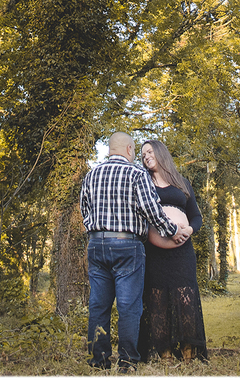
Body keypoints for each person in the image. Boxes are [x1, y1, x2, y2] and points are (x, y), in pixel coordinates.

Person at [79, 131, 190, 370]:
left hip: (96, 245)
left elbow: (84, 210)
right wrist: (173, 231)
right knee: (129, 306)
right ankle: (127, 362)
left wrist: (97, 230)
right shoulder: (136, 174)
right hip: (127, 245)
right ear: (129, 150)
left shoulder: (91, 175)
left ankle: (98, 361)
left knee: (99, 305)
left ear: (110, 150)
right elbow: (153, 211)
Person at [138, 139, 209, 362]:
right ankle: (164, 352)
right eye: (142, 155)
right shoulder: (143, 183)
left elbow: (196, 216)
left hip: (182, 254)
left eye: (150, 151)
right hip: (155, 254)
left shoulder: (182, 183)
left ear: (160, 152)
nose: (146, 156)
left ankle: (189, 351)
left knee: (185, 298)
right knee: (157, 299)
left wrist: (189, 228)